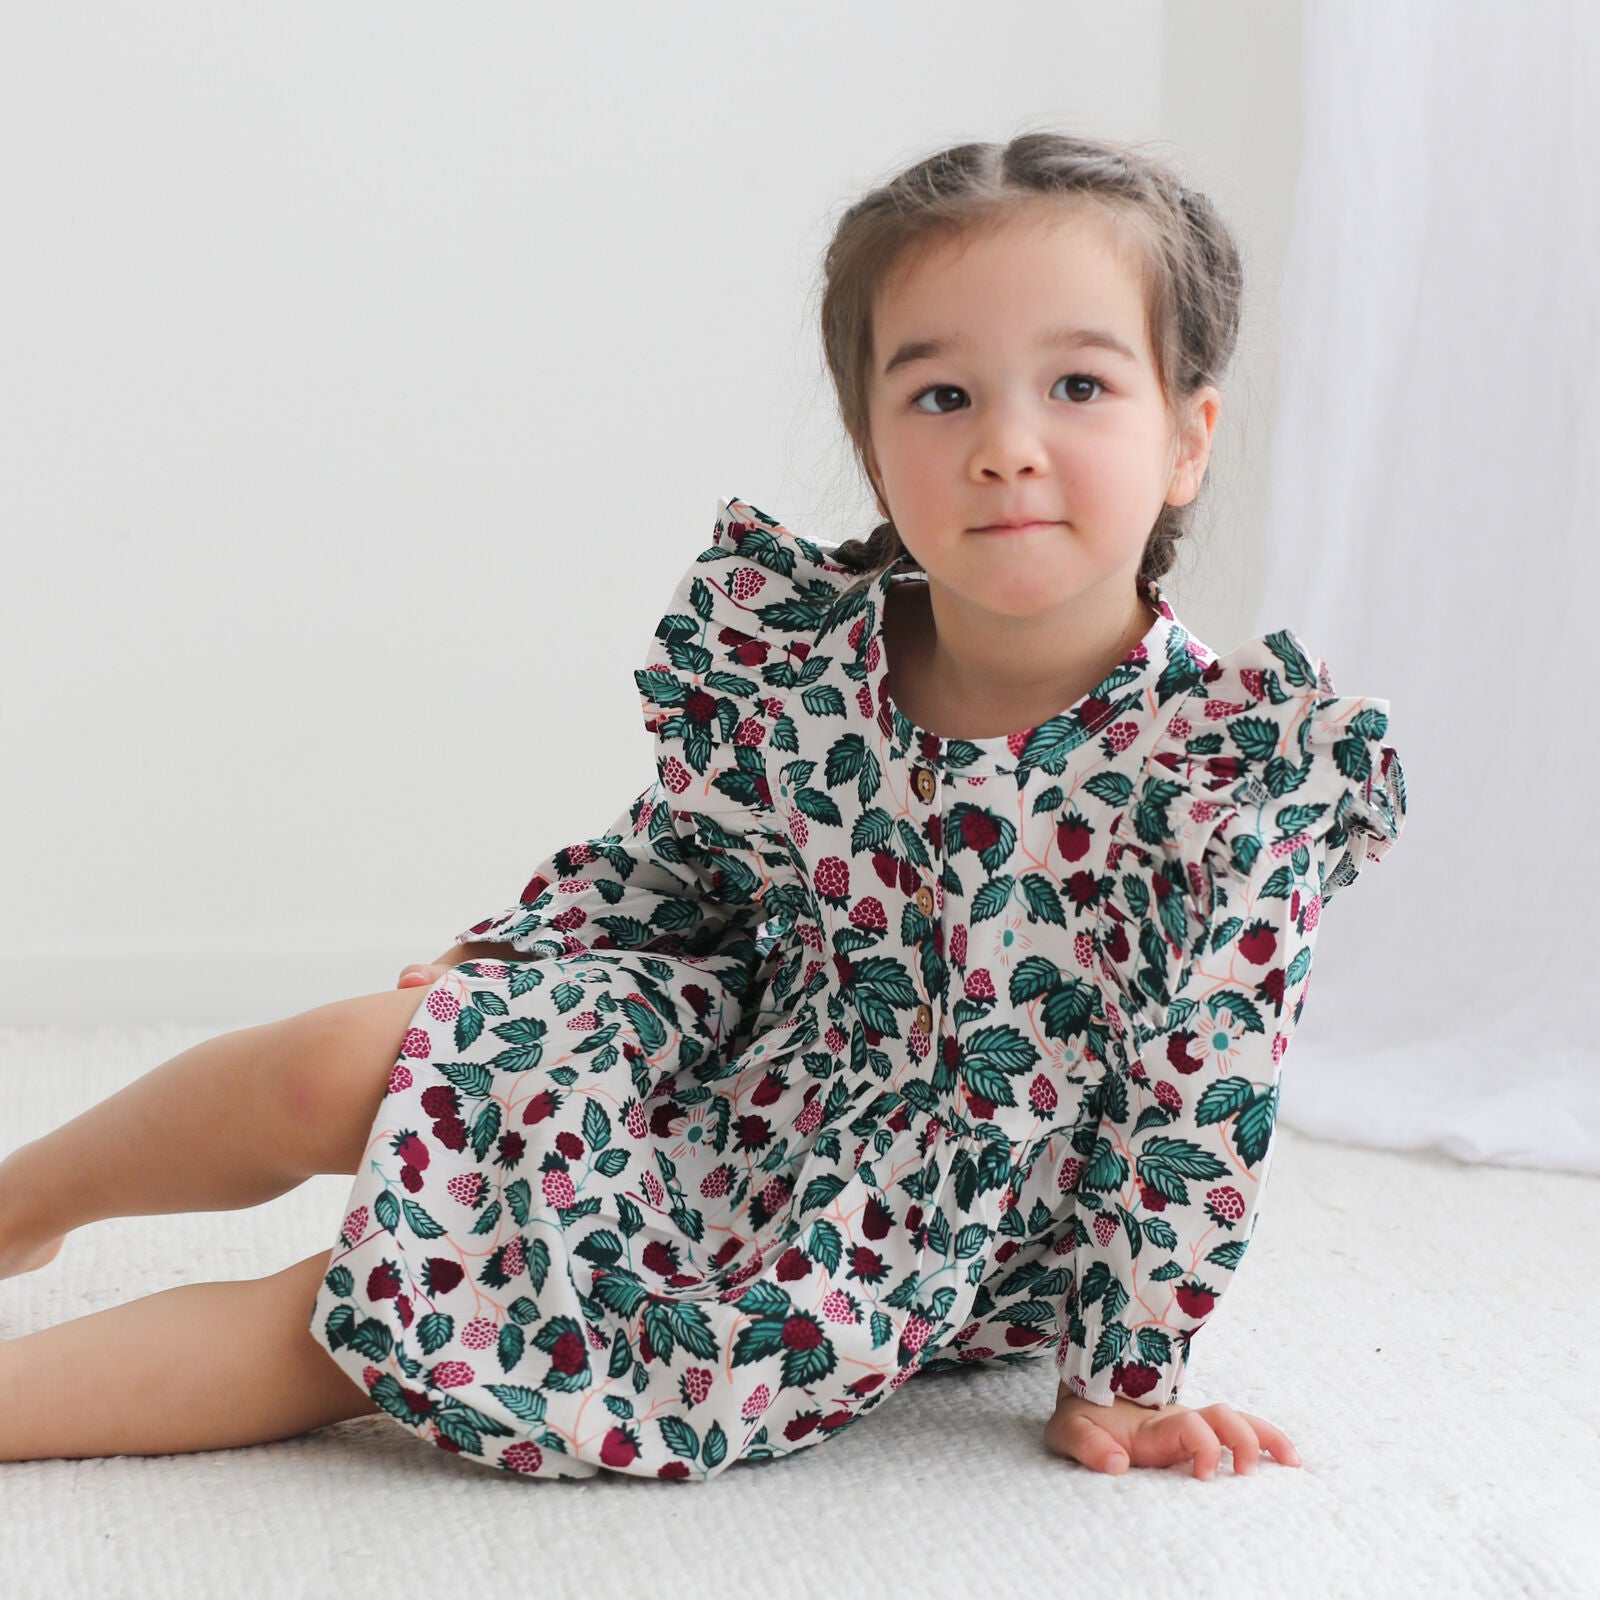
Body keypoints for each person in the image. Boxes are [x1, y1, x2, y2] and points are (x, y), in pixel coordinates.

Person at [0, 131, 1406, 1482]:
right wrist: (520, 957)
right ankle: (24, 1205)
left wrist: (1126, 1382)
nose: (1006, 448)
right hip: (734, 1036)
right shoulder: (806, 654)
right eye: (942, 396)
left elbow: (1199, 1104)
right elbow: (681, 856)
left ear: (1187, 439)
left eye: (1082, 388)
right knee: (338, 1065)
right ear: (872, 444)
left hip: (899, 1206)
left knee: (396, 1296)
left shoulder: (1228, 773)